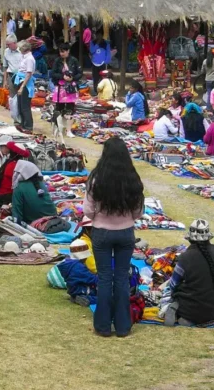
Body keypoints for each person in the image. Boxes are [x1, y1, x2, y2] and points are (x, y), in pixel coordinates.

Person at [85, 137, 144, 338]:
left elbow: (87, 210)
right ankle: (123, 326)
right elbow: (138, 212)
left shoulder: (96, 178)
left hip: (101, 232)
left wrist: (101, 217)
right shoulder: (133, 179)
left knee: (104, 278)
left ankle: (102, 326)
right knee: (121, 277)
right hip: (126, 232)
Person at [159, 219, 214, 326]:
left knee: (166, 290)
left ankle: (174, 308)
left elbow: (173, 285)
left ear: (190, 239)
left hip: (191, 311)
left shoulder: (186, 257)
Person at [49, 42, 82, 140]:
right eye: (60, 52)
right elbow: (53, 73)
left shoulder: (74, 60)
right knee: (59, 108)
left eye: (63, 51)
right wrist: (62, 76)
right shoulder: (57, 61)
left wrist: (72, 78)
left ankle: (68, 130)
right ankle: (59, 128)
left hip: (71, 88)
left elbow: (80, 73)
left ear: (68, 51)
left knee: (70, 109)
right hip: (61, 88)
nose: (61, 53)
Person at [15, 37, 37, 133]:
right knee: (20, 105)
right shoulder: (25, 57)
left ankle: (28, 126)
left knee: (25, 107)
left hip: (26, 84)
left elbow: (29, 74)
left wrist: (22, 86)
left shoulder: (30, 59)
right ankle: (23, 124)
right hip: (21, 81)